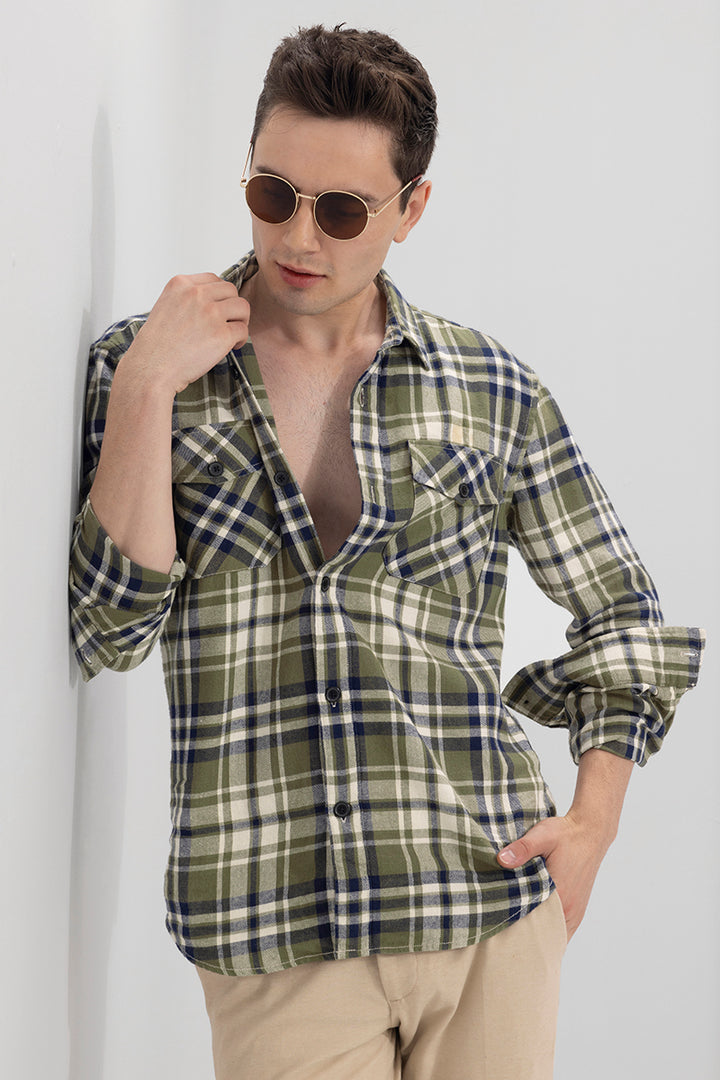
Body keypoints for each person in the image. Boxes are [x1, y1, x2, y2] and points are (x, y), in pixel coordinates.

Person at [69, 24, 704, 1080]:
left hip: (485, 900)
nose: (298, 237)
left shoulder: (490, 388)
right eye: (272, 193)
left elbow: (623, 614)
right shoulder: (150, 366)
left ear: (411, 209)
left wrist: (593, 823)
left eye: (343, 210)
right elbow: (108, 629)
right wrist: (143, 387)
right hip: (274, 926)